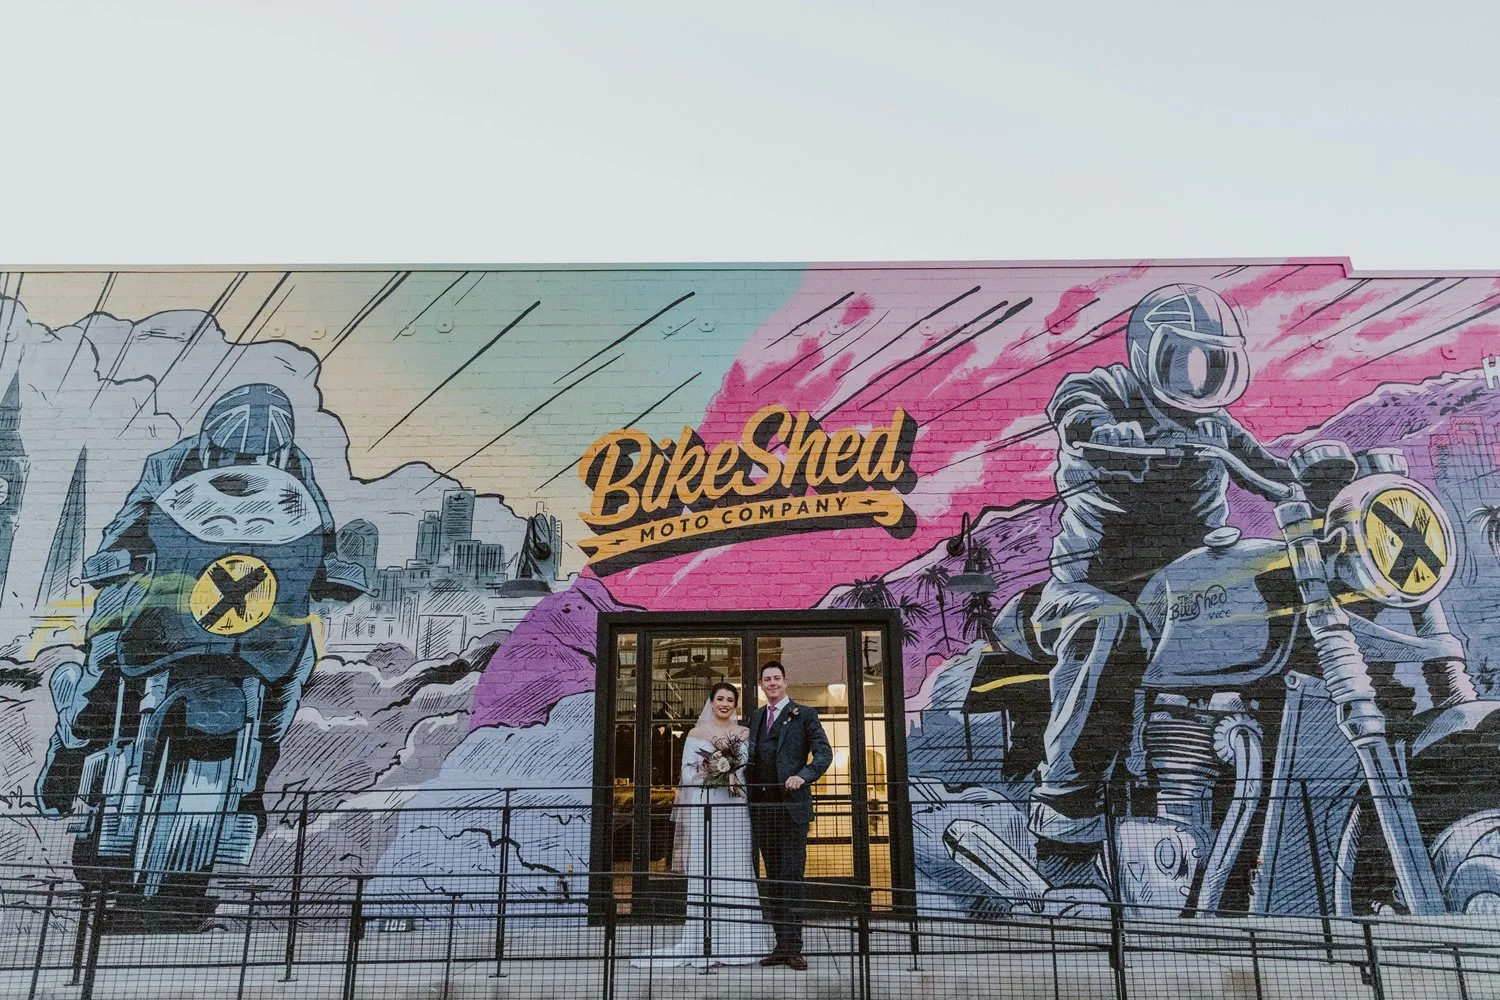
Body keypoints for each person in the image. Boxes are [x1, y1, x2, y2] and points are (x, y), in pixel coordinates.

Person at [1028, 284, 1293, 884]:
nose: (1197, 379)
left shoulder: (1216, 427)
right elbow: (1075, 401)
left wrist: (1309, 476)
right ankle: (1065, 806)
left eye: (1212, 362)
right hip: (1094, 585)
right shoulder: (1113, 392)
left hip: (1187, 590)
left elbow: (1271, 469)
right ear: (1150, 352)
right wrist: (1100, 428)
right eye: (1183, 360)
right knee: (1108, 625)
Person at [35, 383, 365, 821]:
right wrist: (117, 555)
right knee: (107, 655)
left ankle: (253, 780)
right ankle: (72, 750)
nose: (244, 464)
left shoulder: (297, 468)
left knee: (297, 662)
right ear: (211, 441)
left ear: (279, 451)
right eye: (231, 452)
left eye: (259, 457)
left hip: (250, 601)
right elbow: (131, 520)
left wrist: (328, 568)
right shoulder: (168, 464)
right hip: (167, 592)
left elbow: (317, 532)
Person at [634, 682, 774, 968]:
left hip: (735, 807)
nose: (724, 703)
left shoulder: (744, 734)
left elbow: (750, 769)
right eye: (720, 698)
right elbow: (686, 773)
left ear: (736, 705)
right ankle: (704, 938)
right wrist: (712, 770)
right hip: (706, 806)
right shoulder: (695, 734)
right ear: (711, 702)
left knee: (737, 866)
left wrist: (732, 772)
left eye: (730, 700)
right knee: (707, 866)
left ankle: (741, 940)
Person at [747, 660, 833, 970]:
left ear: (786, 682)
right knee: (773, 880)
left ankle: (794, 947)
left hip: (792, 810)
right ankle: (781, 944)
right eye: (766, 679)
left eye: (776, 679)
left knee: (792, 878)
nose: (771, 683)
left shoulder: (805, 714)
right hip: (763, 811)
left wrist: (804, 775)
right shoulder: (756, 717)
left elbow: (824, 753)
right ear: (762, 685)